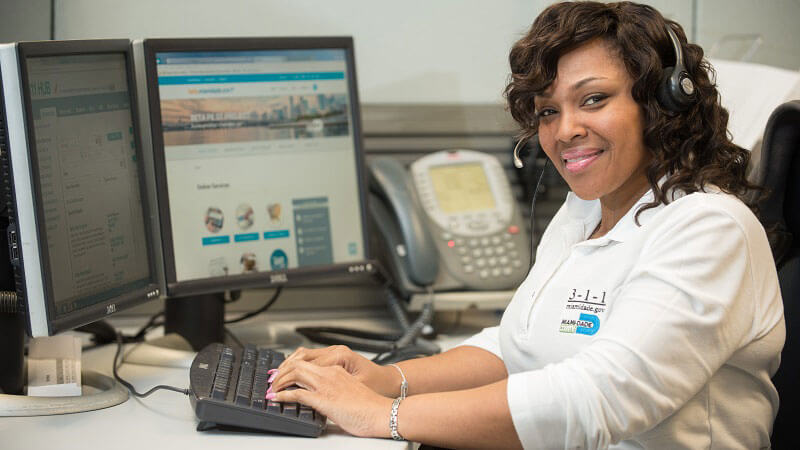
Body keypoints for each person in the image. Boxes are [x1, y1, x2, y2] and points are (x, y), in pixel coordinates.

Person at [267, 2, 786, 448]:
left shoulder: (709, 228)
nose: (565, 131)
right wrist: (388, 380)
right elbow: (518, 345)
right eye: (546, 111)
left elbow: (597, 397)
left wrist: (382, 416)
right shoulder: (587, 210)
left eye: (593, 99)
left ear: (661, 105)